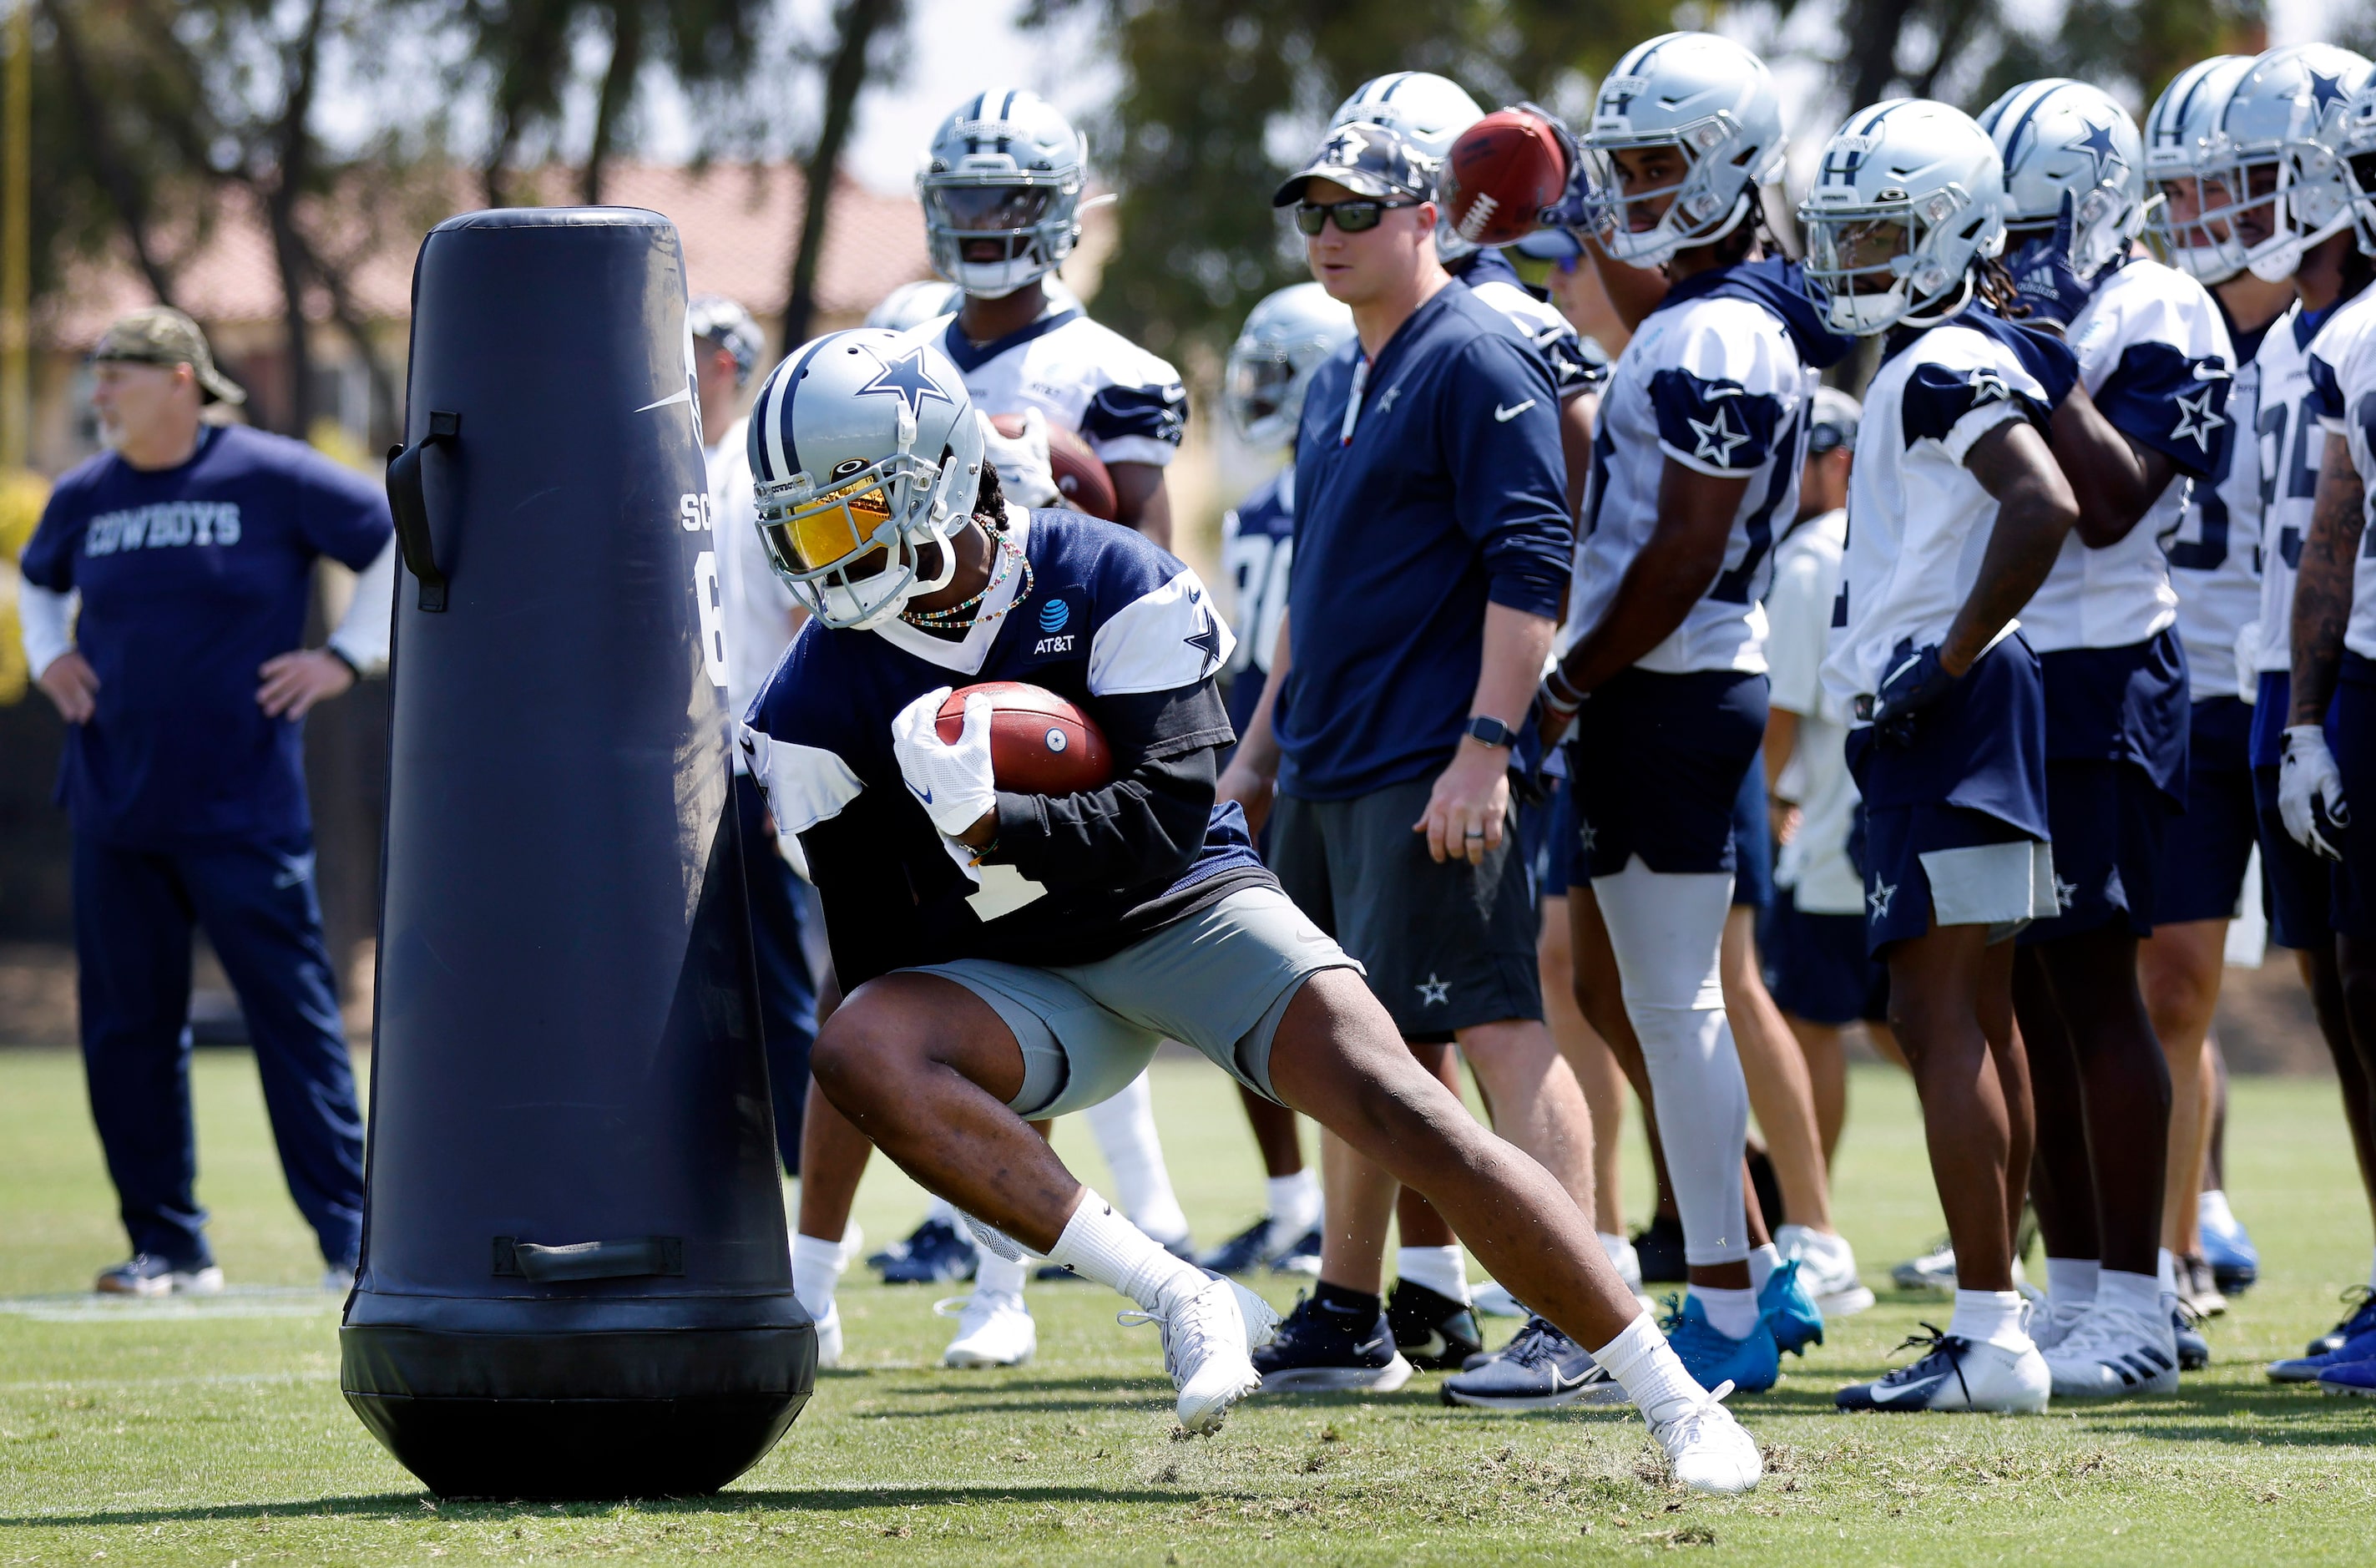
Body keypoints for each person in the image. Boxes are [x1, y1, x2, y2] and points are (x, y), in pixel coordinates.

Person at [738, 326, 1762, 1492]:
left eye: (845, 515)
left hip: (1181, 909)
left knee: (1404, 1111)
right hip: (1014, 965)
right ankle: (1177, 1290)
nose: (827, 557)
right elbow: (876, 945)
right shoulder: (814, 696)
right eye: (803, 527)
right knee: (861, 1043)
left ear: (939, 473)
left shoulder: (1106, 575)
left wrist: (998, 826)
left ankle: (1671, 1395)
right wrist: (958, 851)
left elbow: (1169, 817)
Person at [801, 90, 1199, 1370]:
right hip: (884, 698)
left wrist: (1057, 463)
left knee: (1012, 983)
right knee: (870, 990)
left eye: (1006, 201)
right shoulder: (887, 341)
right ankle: (813, 1277)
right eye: (961, 197)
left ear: (1059, 213)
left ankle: (1004, 1281)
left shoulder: (1115, 372)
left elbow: (1145, 555)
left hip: (1035, 715)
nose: (978, 224)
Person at [1211, 117, 1605, 1405]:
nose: (1326, 233)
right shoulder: (1340, 370)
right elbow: (1310, 599)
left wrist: (1485, 749)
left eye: (1354, 209)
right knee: (1347, 1041)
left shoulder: (1478, 351)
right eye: (1310, 212)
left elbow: (1530, 566)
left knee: (1493, 1020)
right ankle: (1345, 1306)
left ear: (1424, 216)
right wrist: (1258, 755)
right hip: (1328, 758)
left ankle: (1579, 1313)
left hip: (1430, 760)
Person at [1533, 33, 1849, 1398]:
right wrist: (1590, 217)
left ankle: (1725, 1294)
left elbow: (1683, 552)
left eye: (1660, 164)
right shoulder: (1704, 316)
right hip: (1671, 679)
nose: (1636, 193)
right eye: (1624, 168)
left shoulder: (1717, 332)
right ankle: (1743, 1263)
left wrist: (1560, 682)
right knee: (1648, 995)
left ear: (1730, 165)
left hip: (1670, 681)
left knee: (1676, 1005)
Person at [15, 306, 395, 1296]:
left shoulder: (272, 474)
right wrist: (48, 654)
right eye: (94, 376)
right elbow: (38, 581)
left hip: (243, 808)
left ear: (181, 380)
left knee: (296, 1020)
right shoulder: (86, 493)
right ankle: (168, 1245)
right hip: (115, 804)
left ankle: (353, 1239)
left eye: (118, 375)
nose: (98, 393)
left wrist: (345, 659)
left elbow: (393, 543)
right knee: (126, 1030)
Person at [1801, 97, 2077, 1413]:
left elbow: (2046, 503)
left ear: (1955, 228)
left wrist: (1948, 657)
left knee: (1935, 1011)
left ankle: (1989, 1332)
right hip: (1961, 705)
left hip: (1950, 712)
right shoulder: (1933, 353)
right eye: (1843, 232)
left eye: (1883, 233)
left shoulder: (1936, 364)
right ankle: (1999, 1319)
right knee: (1979, 1011)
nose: (1854, 257)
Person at [2220, 46, 2376, 1376]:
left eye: (2264, 174)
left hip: (2332, 667)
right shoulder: (2284, 337)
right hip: (2293, 670)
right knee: (2336, 986)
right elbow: (2305, 536)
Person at [2137, 54, 2290, 1322]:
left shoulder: (2329, 336)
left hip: (2297, 676)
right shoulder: (2156, 318)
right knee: (2169, 982)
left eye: (2229, 189)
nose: (2201, 217)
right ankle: (2168, 1250)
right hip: (2179, 685)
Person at [1199, 281, 1357, 1280]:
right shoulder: (1261, 503)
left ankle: (1359, 1224)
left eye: (1278, 375)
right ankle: (1296, 1206)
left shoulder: (1341, 491)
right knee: (1238, 995)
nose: (1260, 395)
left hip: (1325, 759)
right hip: (1251, 750)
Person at [2272, 46, 2376, 1397]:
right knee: (2364, 982)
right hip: (2369, 674)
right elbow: (2331, 536)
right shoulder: (2352, 336)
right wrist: (2304, 722)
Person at [688, 295, 829, 1211]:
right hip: (685, 763)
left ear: (730, 364)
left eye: (696, 354)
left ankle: (811, 1177)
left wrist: (791, 758)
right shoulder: (675, 466)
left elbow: (799, 623)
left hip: (753, 757)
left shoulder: (757, 471)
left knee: (780, 979)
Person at [1760, 388, 1901, 1204]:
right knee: (1907, 1025)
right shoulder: (1889, 539)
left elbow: (1783, 715)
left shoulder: (1810, 555)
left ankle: (1804, 1214)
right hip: (1890, 814)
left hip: (1825, 833)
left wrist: (1761, 804)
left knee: (1811, 1026)